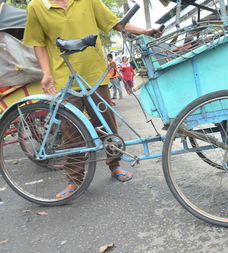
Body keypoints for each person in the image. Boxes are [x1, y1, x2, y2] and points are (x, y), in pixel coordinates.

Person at [23, 0, 160, 198]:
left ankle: (115, 165)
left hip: (95, 75)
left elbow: (116, 23)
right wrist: (46, 73)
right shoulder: (36, 6)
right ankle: (75, 180)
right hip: (65, 79)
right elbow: (38, 43)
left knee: (107, 127)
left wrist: (145, 31)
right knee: (71, 134)